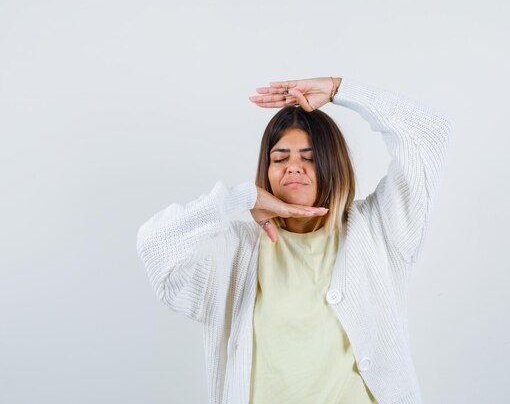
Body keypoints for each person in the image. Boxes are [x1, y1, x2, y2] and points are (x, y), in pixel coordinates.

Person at [136, 76, 454, 404]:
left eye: (309, 156)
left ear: (333, 163)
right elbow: (156, 246)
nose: (293, 168)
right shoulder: (234, 251)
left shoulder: (378, 230)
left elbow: (430, 134)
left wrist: (338, 90)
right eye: (279, 158)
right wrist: (240, 197)